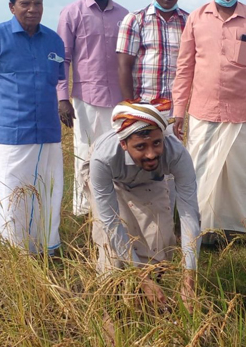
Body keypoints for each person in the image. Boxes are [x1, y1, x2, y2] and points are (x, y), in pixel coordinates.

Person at [171, 0, 246, 243]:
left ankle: (237, 231)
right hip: (202, 112)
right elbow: (184, 68)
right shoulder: (196, 19)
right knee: (199, 173)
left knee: (236, 175)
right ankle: (197, 230)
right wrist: (179, 110)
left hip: (240, 114)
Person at [0, 0, 66, 254]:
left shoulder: (54, 41)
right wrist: (0, 111)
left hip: (48, 132)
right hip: (11, 133)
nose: (32, 9)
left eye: (38, 3)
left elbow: (57, 80)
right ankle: (15, 252)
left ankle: (46, 247)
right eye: (25, 3)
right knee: (12, 193)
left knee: (48, 192)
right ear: (12, 6)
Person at [82, 99, 200, 310]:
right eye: (140, 147)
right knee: (112, 256)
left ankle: (151, 299)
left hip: (150, 180)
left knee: (161, 240)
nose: (151, 154)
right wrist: (141, 278)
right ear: (124, 144)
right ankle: (113, 304)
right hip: (112, 181)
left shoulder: (177, 154)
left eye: (156, 143)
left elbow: (189, 214)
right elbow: (111, 221)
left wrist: (189, 278)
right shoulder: (103, 160)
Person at [57, 0, 129, 216]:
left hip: (120, 100)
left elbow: (130, 60)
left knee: (118, 154)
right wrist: (62, 98)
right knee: (85, 154)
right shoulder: (71, 13)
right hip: (85, 99)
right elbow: (62, 58)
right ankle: (84, 211)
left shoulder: (124, 15)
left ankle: (117, 210)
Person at [116, 0, 188, 102]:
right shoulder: (135, 20)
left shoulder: (189, 22)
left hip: (175, 108)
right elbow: (124, 66)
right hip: (143, 105)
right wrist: (130, 106)